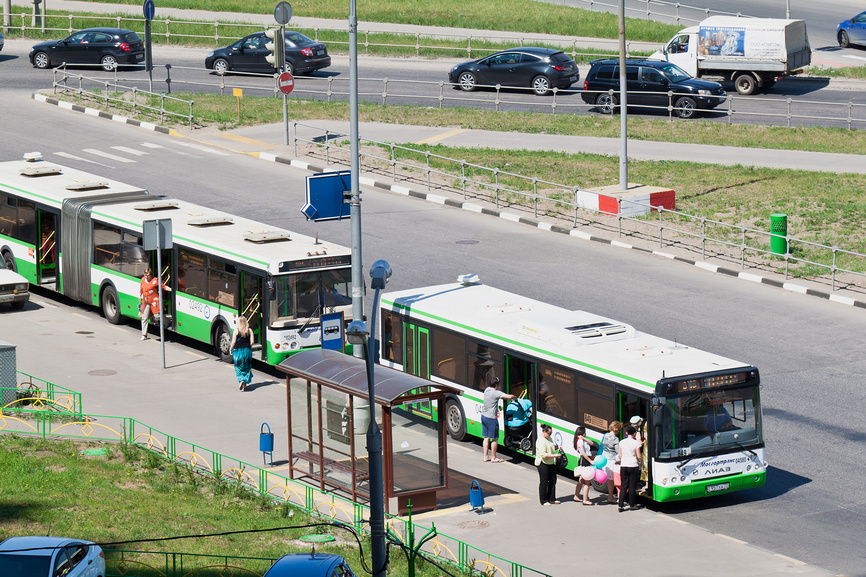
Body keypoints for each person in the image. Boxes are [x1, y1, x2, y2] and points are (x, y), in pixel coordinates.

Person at [481, 373, 515, 463]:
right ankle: (493, 457)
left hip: (483, 416)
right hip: (491, 418)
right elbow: (508, 396)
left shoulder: (486, 390)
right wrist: (514, 397)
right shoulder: (496, 393)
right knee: (494, 439)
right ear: (496, 385)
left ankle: (485, 456)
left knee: (486, 437)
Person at [139, 267, 171, 341]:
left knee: (157, 316)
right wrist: (140, 295)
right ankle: (144, 334)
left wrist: (171, 289)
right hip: (145, 301)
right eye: (145, 275)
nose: (146, 277)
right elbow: (141, 288)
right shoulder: (143, 280)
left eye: (148, 275)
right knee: (144, 317)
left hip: (154, 301)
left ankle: (167, 321)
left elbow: (163, 286)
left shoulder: (155, 280)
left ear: (151, 275)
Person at [535, 424, 561, 506]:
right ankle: (543, 500)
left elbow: (551, 447)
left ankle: (551, 498)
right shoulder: (541, 441)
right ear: (544, 432)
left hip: (550, 462)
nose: (550, 435)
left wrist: (557, 447)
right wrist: (555, 456)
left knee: (553, 480)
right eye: (549, 433)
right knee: (544, 481)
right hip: (543, 463)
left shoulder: (549, 438)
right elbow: (543, 454)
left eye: (551, 433)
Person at [617, 425, 642, 512]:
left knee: (623, 485)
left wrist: (624, 460)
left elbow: (620, 455)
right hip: (633, 466)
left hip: (624, 466)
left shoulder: (622, 442)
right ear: (634, 434)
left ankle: (620, 505)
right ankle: (632, 505)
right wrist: (642, 464)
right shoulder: (636, 443)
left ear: (627, 433)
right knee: (632, 486)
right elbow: (639, 456)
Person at [229, 315, 254, 391]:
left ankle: (241, 380)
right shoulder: (249, 330)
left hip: (238, 351)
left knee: (238, 367)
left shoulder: (236, 331)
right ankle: (245, 381)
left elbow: (233, 342)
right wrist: (248, 346)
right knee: (247, 366)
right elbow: (252, 342)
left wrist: (230, 349)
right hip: (247, 351)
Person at [600, 421, 622, 504]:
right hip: (612, 461)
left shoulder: (605, 435)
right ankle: (611, 496)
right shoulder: (615, 439)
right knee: (613, 480)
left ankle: (611, 496)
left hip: (604, 458)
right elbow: (617, 451)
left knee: (610, 479)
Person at [573, 425, 594, 505]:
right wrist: (590, 461)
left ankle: (576, 496)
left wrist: (583, 438)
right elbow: (583, 453)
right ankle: (585, 499)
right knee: (587, 481)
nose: (586, 433)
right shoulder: (580, 441)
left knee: (581, 480)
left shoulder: (582, 440)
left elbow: (592, 443)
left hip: (585, 460)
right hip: (585, 460)